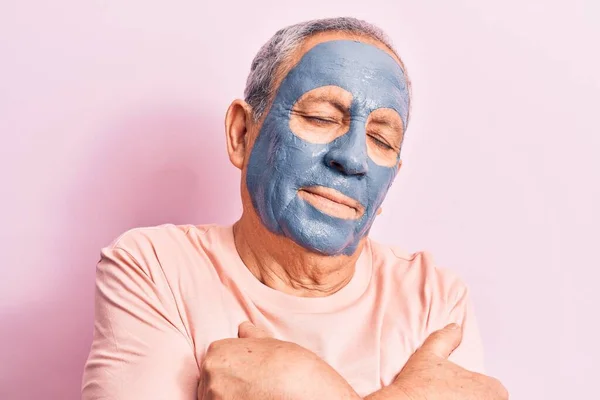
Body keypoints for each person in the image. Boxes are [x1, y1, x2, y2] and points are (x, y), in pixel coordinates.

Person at [82, 17, 508, 400]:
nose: (354, 159)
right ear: (242, 133)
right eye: (323, 117)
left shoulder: (433, 296)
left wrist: (305, 387)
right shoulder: (155, 267)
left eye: (380, 140)